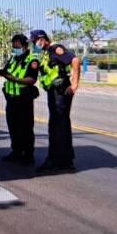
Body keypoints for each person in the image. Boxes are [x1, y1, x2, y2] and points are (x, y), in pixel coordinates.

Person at [29, 29, 81, 172]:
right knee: (59, 125)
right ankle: (64, 161)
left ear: (42, 39)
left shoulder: (55, 48)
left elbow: (75, 60)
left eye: (35, 41)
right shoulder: (45, 53)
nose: (34, 44)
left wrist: (75, 84)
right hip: (54, 92)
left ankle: (56, 160)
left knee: (58, 125)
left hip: (61, 92)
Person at [0, 34, 39, 165]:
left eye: (17, 46)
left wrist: (15, 79)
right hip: (11, 99)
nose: (15, 49)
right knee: (13, 127)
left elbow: (32, 79)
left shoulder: (32, 60)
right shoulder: (14, 59)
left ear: (25, 46)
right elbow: (5, 72)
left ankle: (28, 156)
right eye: (13, 47)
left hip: (24, 99)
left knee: (25, 128)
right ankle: (16, 152)